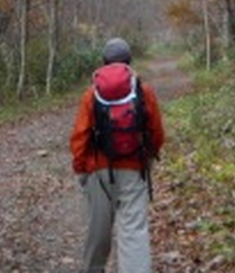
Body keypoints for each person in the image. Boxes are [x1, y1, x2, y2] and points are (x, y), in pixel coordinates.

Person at [69, 37, 165, 273]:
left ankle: (94, 269)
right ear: (129, 62)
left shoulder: (91, 94)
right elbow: (156, 132)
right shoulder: (143, 91)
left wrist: (81, 169)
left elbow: (80, 136)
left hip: (98, 171)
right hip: (134, 169)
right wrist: (149, 157)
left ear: (103, 62)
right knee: (133, 230)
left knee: (98, 229)